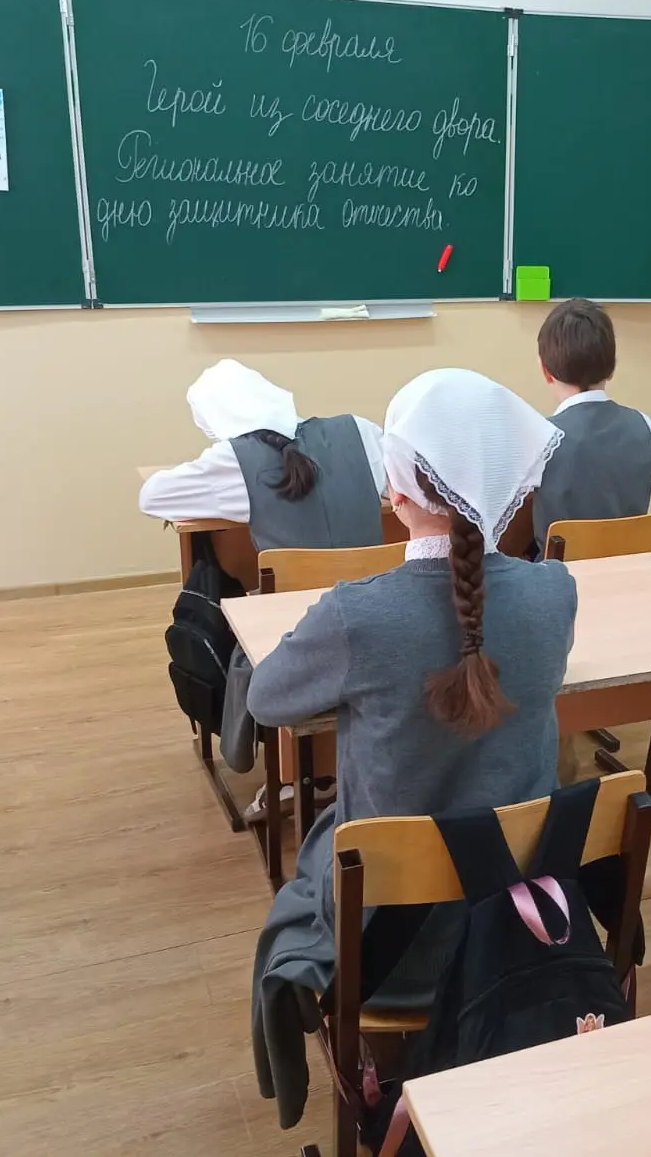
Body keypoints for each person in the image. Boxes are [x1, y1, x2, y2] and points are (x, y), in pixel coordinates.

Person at [248, 369, 577, 1129]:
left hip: (388, 937)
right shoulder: (555, 592)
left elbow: (267, 699)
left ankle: (374, 1069)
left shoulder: (358, 615)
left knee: (316, 866)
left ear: (394, 491)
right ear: (511, 487)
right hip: (521, 910)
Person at [138, 359, 388, 555]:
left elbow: (152, 499)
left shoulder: (232, 459)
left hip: (289, 600)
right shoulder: (359, 428)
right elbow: (395, 487)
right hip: (372, 588)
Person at [532, 298, 651, 553]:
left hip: (562, 571)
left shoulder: (540, 438)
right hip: (626, 565)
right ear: (612, 368)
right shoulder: (641, 425)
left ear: (546, 371)